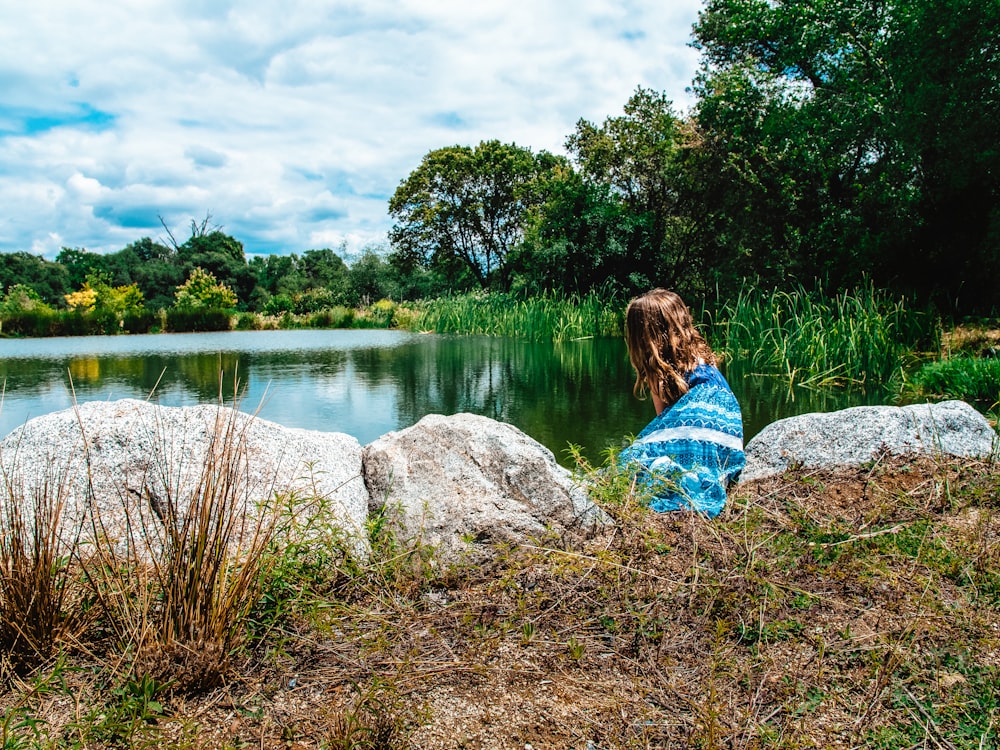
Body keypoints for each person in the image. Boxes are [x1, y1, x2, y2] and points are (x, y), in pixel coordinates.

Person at [617, 289, 745, 517]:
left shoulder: (657, 368)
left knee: (635, 459)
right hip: (728, 423)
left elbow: (663, 421)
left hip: (695, 412)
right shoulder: (704, 358)